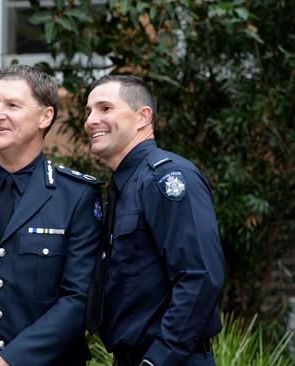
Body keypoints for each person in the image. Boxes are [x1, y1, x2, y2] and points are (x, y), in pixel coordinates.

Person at [0, 64, 103, 366]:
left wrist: (9, 360)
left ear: (45, 116)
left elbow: (78, 299)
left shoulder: (76, 196)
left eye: (12, 105)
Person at [84, 75, 225, 366]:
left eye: (105, 108)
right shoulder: (125, 184)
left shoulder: (165, 178)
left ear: (142, 117)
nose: (90, 120)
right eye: (88, 111)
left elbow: (200, 276)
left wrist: (158, 359)